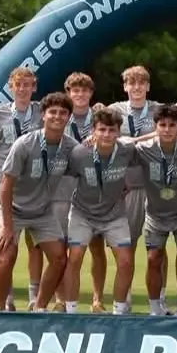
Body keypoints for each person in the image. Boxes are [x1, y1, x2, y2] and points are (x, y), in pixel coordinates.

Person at [0, 92, 78, 312]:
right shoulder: (24, 144)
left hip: (42, 211)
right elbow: (6, 186)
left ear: (69, 117)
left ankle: (39, 307)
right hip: (12, 208)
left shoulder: (70, 147)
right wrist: (7, 227)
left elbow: (90, 164)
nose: (57, 116)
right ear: (43, 115)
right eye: (53, 112)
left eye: (63, 113)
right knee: (6, 258)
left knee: (59, 259)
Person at [61, 108, 137, 316]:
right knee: (75, 257)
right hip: (82, 213)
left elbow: (152, 143)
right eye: (102, 130)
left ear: (118, 132)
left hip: (114, 215)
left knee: (125, 261)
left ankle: (119, 312)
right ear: (93, 131)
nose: (106, 134)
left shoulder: (127, 150)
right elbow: (64, 174)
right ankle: (71, 310)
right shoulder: (79, 153)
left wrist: (127, 183)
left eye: (111, 130)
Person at [133, 104, 177, 317]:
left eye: (172, 125)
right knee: (153, 258)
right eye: (162, 125)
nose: (167, 129)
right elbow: (117, 149)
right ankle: (155, 308)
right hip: (156, 215)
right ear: (155, 126)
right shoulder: (144, 148)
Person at [0, 66, 43, 311]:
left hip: (34, 189)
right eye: (18, 85)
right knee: (5, 248)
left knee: (36, 245)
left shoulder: (41, 111)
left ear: (34, 87)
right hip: (4, 189)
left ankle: (34, 296)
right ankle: (6, 299)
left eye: (27, 85)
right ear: (11, 87)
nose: (22, 89)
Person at [50, 71, 107, 312]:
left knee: (96, 247)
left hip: (92, 190)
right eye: (75, 90)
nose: (80, 95)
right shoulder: (60, 117)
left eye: (84, 90)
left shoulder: (100, 117)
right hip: (63, 189)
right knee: (61, 247)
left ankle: (97, 299)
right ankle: (60, 298)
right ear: (68, 93)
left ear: (91, 93)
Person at [108, 65, 160, 311]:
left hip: (154, 184)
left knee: (156, 248)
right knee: (126, 245)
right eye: (132, 83)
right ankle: (124, 298)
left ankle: (157, 301)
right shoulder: (114, 110)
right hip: (125, 186)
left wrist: (133, 141)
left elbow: (164, 133)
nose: (137, 87)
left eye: (141, 83)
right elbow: (106, 136)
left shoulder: (158, 110)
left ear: (148, 86)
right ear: (125, 86)